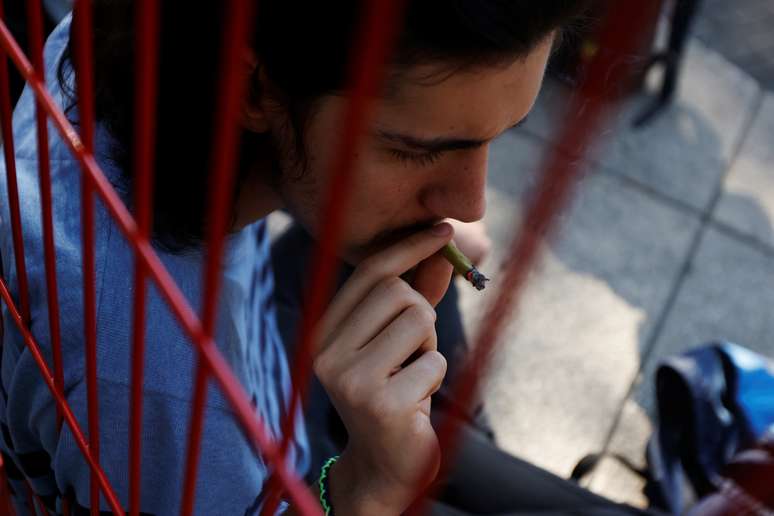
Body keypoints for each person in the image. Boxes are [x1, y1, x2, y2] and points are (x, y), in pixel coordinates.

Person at [0, 1, 662, 514]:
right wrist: (365, 491)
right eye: (417, 148)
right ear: (252, 90)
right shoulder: (169, 404)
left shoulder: (126, 47)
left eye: (495, 140)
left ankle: (453, 433)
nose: (471, 202)